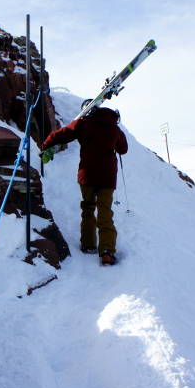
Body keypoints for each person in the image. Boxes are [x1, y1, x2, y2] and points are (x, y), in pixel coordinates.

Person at [41, 102, 128, 266]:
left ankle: (88, 245)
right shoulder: (114, 128)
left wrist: (46, 145)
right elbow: (123, 149)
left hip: (87, 175)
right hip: (107, 178)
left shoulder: (83, 124)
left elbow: (62, 133)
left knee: (88, 208)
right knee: (105, 213)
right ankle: (107, 251)